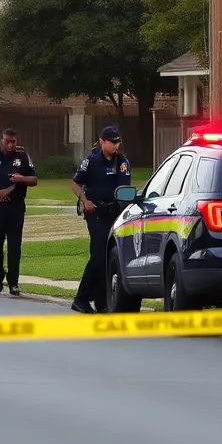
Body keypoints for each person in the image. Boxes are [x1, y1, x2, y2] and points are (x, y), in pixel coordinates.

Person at [70, 126, 131, 314]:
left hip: (113, 212)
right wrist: (85, 201)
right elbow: (75, 182)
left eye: (117, 142)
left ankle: (100, 300)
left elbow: (124, 185)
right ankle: (81, 299)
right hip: (95, 211)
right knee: (98, 255)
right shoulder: (91, 161)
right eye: (112, 142)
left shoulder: (122, 162)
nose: (115, 145)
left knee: (107, 257)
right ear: (102, 141)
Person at [0, 129, 37, 296]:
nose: (11, 145)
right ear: (1, 141)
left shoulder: (23, 158)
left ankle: (13, 282)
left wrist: (21, 178)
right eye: (8, 141)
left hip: (15, 209)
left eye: (14, 141)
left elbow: (34, 179)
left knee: (14, 246)